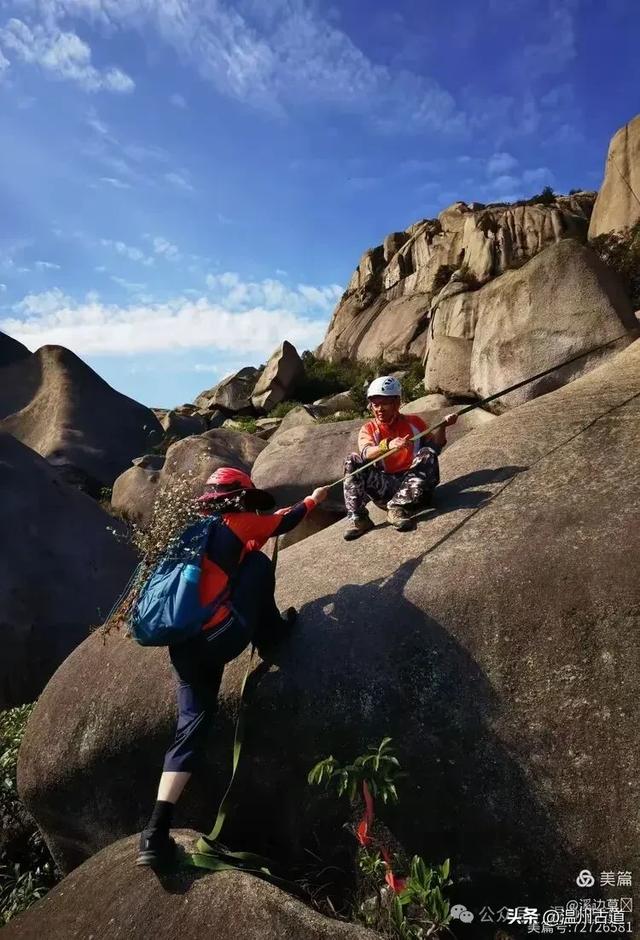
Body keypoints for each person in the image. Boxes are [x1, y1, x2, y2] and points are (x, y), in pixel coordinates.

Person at [137, 467, 329, 867]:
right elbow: (285, 522)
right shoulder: (237, 521)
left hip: (183, 647)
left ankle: (155, 831)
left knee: (191, 727)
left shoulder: (191, 534)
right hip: (221, 637)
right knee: (257, 566)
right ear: (238, 498)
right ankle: (271, 635)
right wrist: (313, 499)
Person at [343, 375, 458, 540]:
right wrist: (387, 445)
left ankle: (398, 509)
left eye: (385, 403)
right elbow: (366, 453)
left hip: (414, 487)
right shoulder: (369, 429)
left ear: (397, 402)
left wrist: (443, 426)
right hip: (386, 487)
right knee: (351, 461)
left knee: (427, 454)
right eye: (375, 404)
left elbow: (434, 449)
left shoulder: (414, 423)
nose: (379, 409)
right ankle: (359, 518)